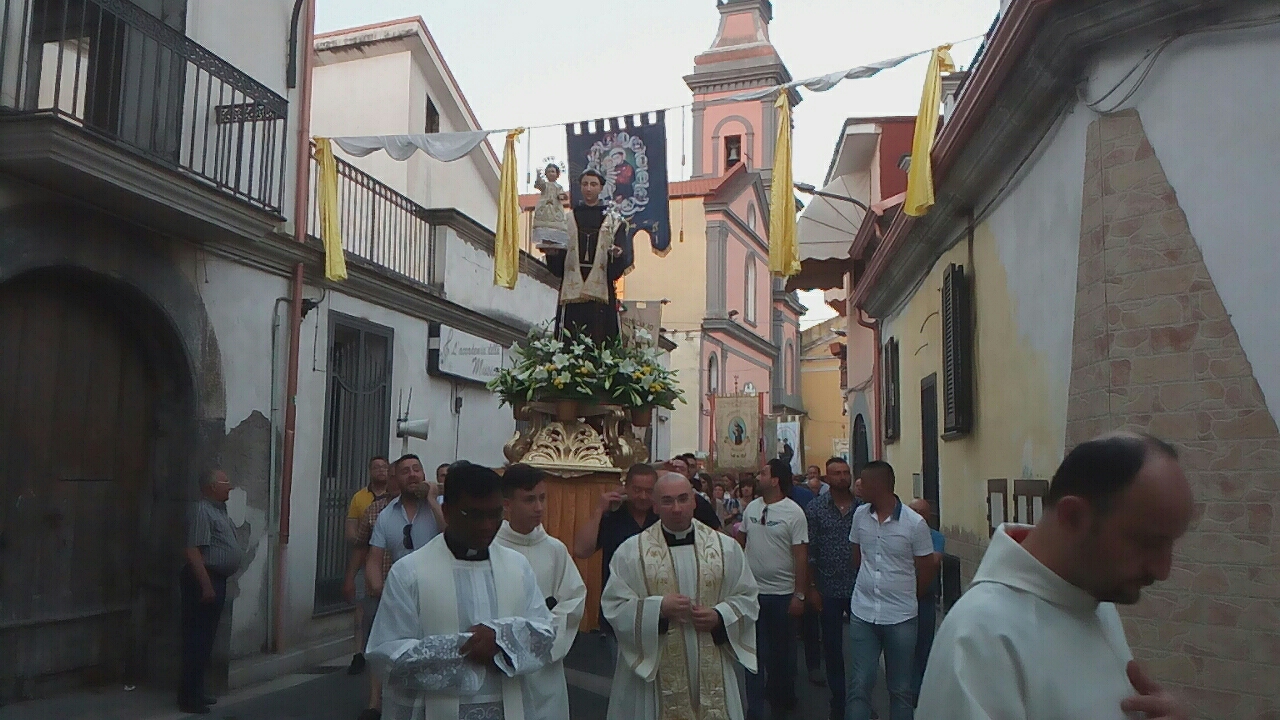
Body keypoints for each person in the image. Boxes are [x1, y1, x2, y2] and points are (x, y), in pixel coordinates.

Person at [916, 433, 1194, 720]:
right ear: (1073, 517)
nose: (1162, 571)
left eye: (1169, 544)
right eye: (1147, 542)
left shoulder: (1092, 595)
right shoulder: (979, 637)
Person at [366, 461, 556, 720]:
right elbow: (385, 654)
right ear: (446, 510)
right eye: (475, 515)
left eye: (495, 514)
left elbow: (545, 634)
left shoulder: (517, 567)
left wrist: (500, 640)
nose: (488, 526)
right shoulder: (409, 572)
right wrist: (462, 648)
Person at [602, 473, 760, 720]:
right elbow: (614, 605)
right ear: (655, 505)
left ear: (694, 502)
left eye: (683, 499)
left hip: (712, 658)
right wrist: (658, 609)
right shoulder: (631, 552)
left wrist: (720, 616)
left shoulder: (726, 548)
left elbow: (747, 596)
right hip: (656, 670)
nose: (676, 508)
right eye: (667, 501)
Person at [494, 464, 587, 719]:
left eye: (542, 498)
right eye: (529, 500)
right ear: (507, 503)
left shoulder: (554, 550)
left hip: (544, 665)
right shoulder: (491, 548)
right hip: (501, 662)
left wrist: (543, 637)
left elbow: (573, 598)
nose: (538, 507)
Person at [846, 462, 936, 720]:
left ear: (880, 485)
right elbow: (856, 557)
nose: (858, 486)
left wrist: (908, 595)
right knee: (860, 684)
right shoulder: (860, 516)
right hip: (863, 613)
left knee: (900, 689)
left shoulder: (914, 524)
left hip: (901, 618)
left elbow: (926, 569)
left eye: (863, 481)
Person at [362, 455, 442, 720]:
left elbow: (449, 534)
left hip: (435, 590)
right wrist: (378, 587)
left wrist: (432, 499)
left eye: (417, 470)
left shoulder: (440, 506)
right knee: (383, 643)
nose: (413, 475)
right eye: (406, 471)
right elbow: (374, 558)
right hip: (399, 590)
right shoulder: (386, 515)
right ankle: (375, 703)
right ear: (396, 479)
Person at [739, 459, 809, 720]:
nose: (759, 477)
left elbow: (801, 555)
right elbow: (742, 542)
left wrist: (799, 594)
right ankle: (755, 709)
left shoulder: (794, 513)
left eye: (764, 473)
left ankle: (782, 700)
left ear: (776, 480)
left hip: (782, 595)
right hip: (753, 594)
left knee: (783, 654)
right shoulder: (752, 509)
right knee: (753, 653)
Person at [179, 469, 245, 714]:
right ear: (210, 487)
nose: (230, 487)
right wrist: (205, 584)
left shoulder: (219, 511)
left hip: (216, 579)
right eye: (225, 483)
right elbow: (193, 550)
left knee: (206, 640)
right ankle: (188, 697)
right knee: (196, 639)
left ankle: (196, 691)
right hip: (203, 579)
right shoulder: (201, 510)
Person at [544, 169, 634, 344]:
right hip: (572, 290)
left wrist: (617, 256)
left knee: (600, 338)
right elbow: (558, 265)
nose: (589, 188)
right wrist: (552, 254)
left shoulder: (613, 222)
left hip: (600, 291)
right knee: (570, 337)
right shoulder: (567, 219)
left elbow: (619, 262)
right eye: (585, 184)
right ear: (580, 188)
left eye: (593, 184)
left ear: (601, 188)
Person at [805, 457, 860, 720]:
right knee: (833, 648)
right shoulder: (815, 509)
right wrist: (812, 587)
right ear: (827, 478)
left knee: (864, 650)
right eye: (836, 473)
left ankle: (860, 703)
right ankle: (838, 703)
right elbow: (810, 551)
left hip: (860, 588)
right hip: (827, 588)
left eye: (846, 472)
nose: (842, 477)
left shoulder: (863, 508)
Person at [350, 462, 403, 720]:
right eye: (390, 476)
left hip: (407, 592)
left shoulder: (425, 510)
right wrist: (352, 578)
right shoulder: (373, 511)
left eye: (394, 475)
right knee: (377, 644)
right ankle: (374, 702)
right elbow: (361, 548)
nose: (391, 480)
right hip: (378, 589)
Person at [344, 456, 391, 676]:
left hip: (391, 565)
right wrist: (364, 538)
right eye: (376, 467)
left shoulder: (398, 500)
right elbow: (352, 531)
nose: (381, 470)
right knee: (363, 610)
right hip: (367, 561)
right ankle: (359, 653)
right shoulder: (361, 499)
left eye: (384, 467)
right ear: (370, 471)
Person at [906, 498, 944, 707]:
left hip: (925, 598)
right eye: (914, 511)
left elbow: (934, 561)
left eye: (922, 512)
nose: (919, 515)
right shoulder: (902, 534)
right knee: (905, 646)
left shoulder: (935, 537)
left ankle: (921, 692)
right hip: (902, 597)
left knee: (924, 644)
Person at [531, 163, 570, 252]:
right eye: (548, 172)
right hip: (544, 207)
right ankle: (545, 240)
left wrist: (562, 196)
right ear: (546, 174)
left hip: (555, 208)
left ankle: (554, 241)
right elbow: (539, 185)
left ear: (557, 174)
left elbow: (562, 195)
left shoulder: (558, 187)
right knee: (544, 224)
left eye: (553, 171)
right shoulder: (545, 185)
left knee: (555, 224)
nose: (551, 174)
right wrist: (538, 176)